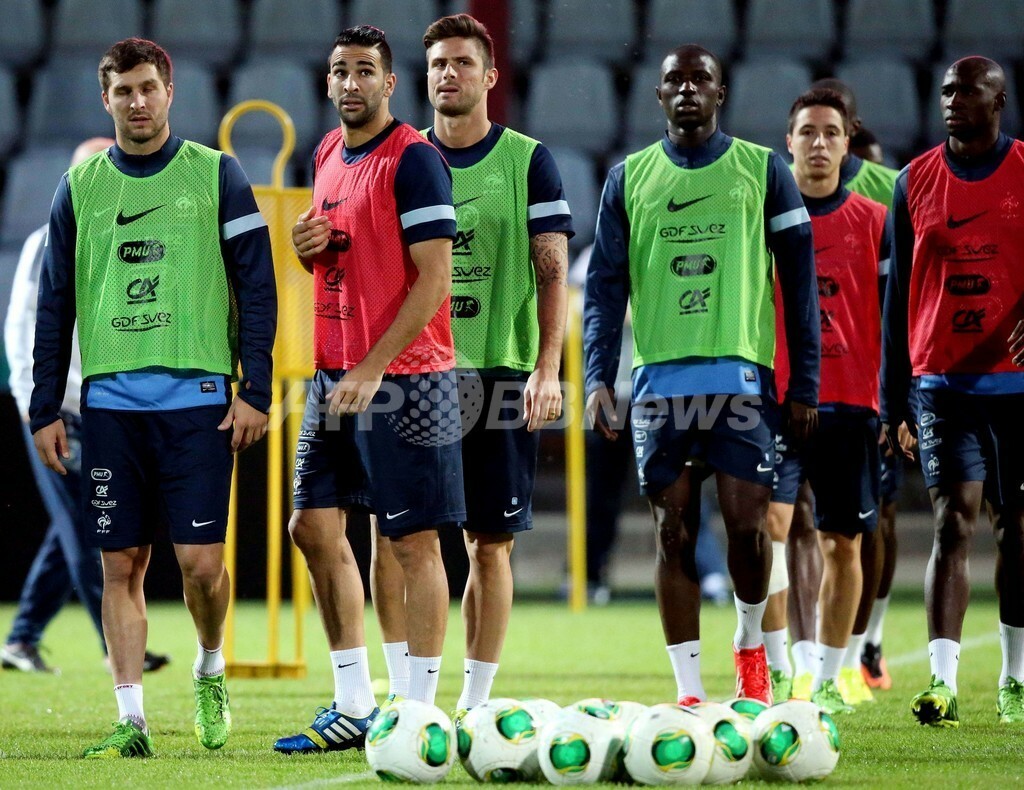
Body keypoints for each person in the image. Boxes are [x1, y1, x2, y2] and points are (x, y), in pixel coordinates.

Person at [30, 38, 277, 757]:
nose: (137, 102)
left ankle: (209, 664)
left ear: (169, 92)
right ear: (105, 100)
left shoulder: (217, 176)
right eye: (122, 91)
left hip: (198, 401)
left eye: (147, 88)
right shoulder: (78, 190)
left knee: (201, 565)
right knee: (120, 563)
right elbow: (54, 305)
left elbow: (256, 288)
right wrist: (46, 407)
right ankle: (131, 719)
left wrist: (254, 388)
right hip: (108, 406)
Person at [584, 44, 819, 706]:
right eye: (674, 81)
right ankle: (688, 692)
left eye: (700, 80)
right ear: (658, 97)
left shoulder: (764, 171)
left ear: (721, 95)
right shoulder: (628, 179)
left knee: (748, 527)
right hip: (659, 384)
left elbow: (799, 288)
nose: (687, 90)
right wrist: (599, 377)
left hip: (742, 382)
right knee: (672, 530)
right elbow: (603, 289)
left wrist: (804, 384)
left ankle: (749, 645)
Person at [366, 13, 573, 717]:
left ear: (490, 76)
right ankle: (403, 695)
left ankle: (475, 703)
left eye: (461, 62)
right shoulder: (396, 157)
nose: (447, 74)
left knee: (490, 545)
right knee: (394, 538)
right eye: (437, 65)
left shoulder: (527, 159)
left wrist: (549, 366)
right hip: (414, 376)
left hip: (499, 371)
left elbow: (553, 272)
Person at [273, 26, 462, 754]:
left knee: (412, 542)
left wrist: (374, 366)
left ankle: (418, 715)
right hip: (333, 374)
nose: (350, 83)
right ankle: (353, 702)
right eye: (339, 71)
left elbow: (434, 280)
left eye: (365, 72)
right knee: (312, 528)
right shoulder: (325, 153)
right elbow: (334, 257)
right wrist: (302, 247)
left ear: (389, 84)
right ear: (329, 84)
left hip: (407, 379)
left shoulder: (414, 160)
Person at [883, 55, 1024, 727]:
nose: (952, 101)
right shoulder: (914, 181)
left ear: (999, 101)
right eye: (945, 91)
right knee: (951, 522)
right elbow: (895, 298)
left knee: (1016, 530)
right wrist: (893, 399)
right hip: (941, 383)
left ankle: (1015, 679)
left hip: (1016, 386)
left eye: (968, 91)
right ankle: (942, 684)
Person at [3, 137, 169, 677]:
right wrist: (38, 401)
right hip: (63, 406)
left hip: (109, 408)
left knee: (73, 522)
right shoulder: (45, 242)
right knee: (87, 523)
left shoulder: (132, 240)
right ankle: (116, 644)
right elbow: (22, 324)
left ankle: (23, 638)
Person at [767, 89, 889, 714]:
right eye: (807, 133)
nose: (818, 144)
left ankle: (830, 679)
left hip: (851, 404)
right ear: (788, 141)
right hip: (776, 401)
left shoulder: (875, 220)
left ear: (848, 143)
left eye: (831, 133)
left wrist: (894, 404)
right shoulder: (763, 220)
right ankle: (782, 666)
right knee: (769, 531)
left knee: (844, 543)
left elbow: (892, 321)